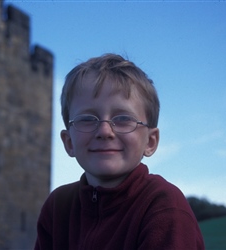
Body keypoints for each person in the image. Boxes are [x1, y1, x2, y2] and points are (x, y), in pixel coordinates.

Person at [34, 54, 205, 250]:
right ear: (69, 141)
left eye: (123, 118)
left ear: (150, 142)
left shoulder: (163, 204)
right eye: (87, 119)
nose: (105, 131)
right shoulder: (58, 206)